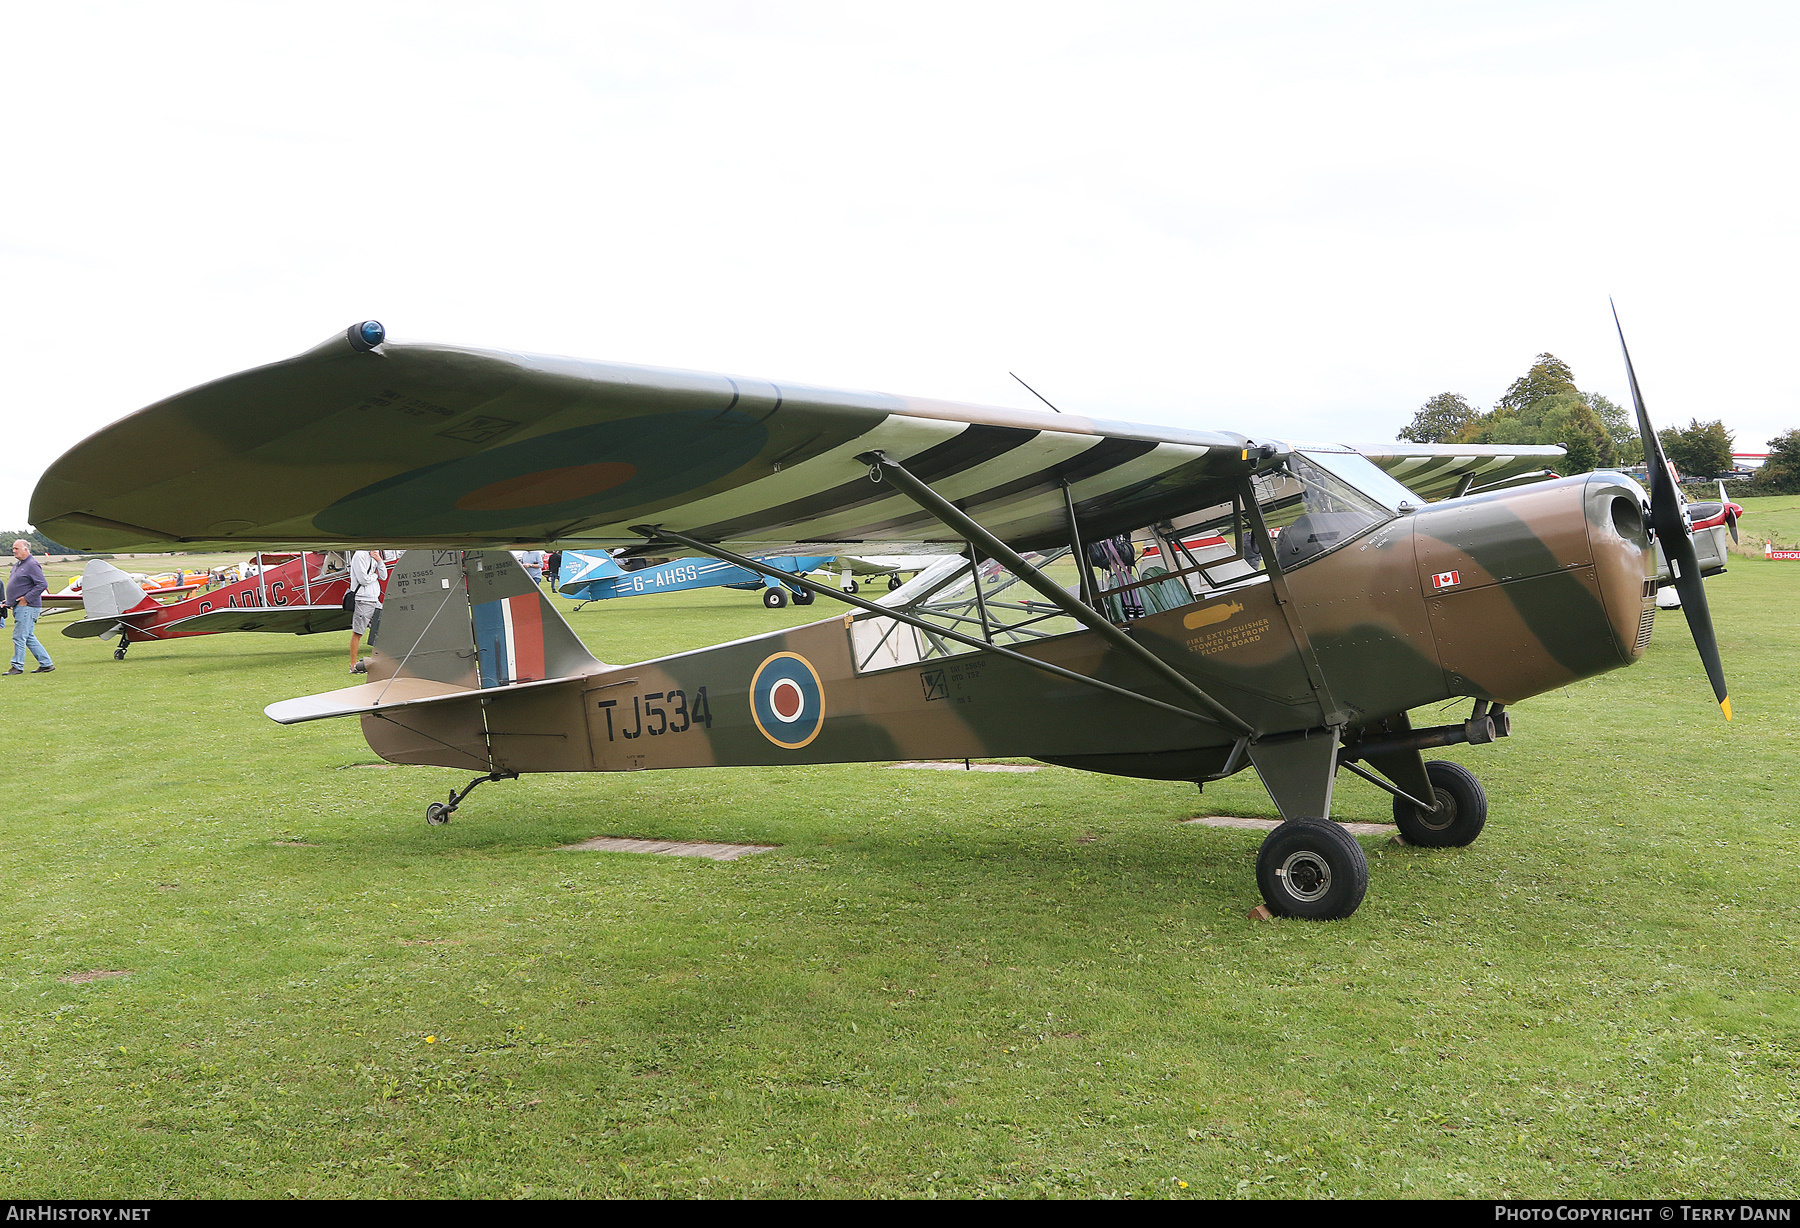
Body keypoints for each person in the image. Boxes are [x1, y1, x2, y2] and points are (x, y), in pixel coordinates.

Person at [6, 539, 54, 675]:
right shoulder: (18, 565)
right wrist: (8, 602)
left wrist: (26, 599)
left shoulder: (32, 564)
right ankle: (46, 664)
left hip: (28, 607)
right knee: (28, 636)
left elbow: (42, 584)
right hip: (18, 606)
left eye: (16, 548)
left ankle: (17, 666)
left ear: (26, 549)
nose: (14, 551)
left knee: (19, 636)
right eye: (13, 548)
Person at [346, 549, 388, 674]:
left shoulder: (374, 555)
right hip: (363, 599)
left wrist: (379, 560)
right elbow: (363, 579)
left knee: (381, 629)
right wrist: (375, 575)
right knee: (358, 632)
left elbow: (384, 576)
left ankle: (381, 661)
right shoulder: (360, 555)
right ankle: (353, 666)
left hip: (375, 599)